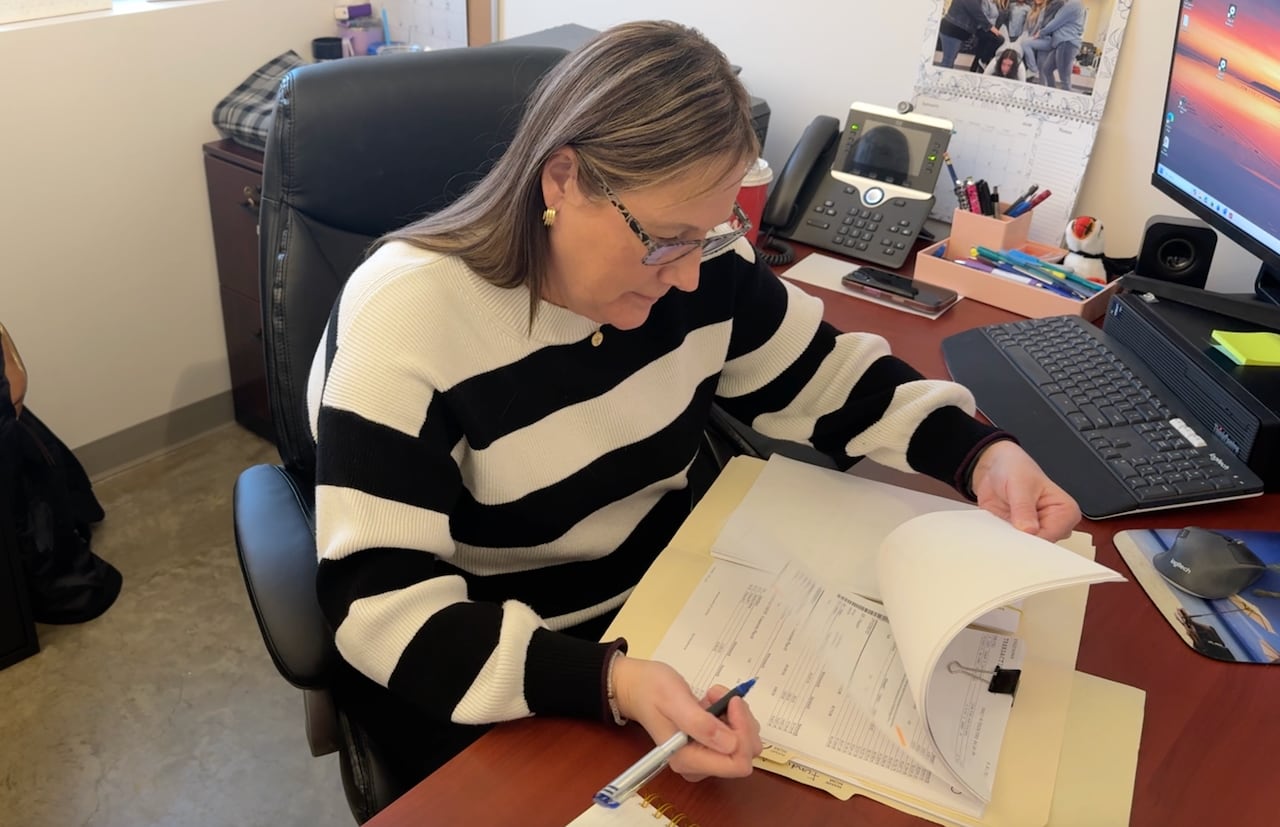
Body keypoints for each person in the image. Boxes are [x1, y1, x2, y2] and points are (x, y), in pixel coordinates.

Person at [308, 19, 1082, 794]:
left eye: (712, 235)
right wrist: (611, 682)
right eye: (665, 239)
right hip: (507, 669)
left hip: (669, 614)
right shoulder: (408, 318)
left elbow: (828, 376)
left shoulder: (705, 265)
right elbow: (381, 608)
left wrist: (979, 453)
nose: (686, 277)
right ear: (562, 181)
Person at [938, 0, 1003, 69]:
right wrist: (992, 28)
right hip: (952, 31)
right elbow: (977, 14)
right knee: (948, 62)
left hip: (955, 32)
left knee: (949, 60)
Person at [1035, 0, 1085, 90]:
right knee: (1047, 70)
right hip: (1061, 43)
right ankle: (1052, 93)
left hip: (1066, 43)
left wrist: (1041, 33)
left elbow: (1056, 22)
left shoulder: (1073, 4)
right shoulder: (1070, 4)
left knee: (1064, 78)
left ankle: (1067, 102)